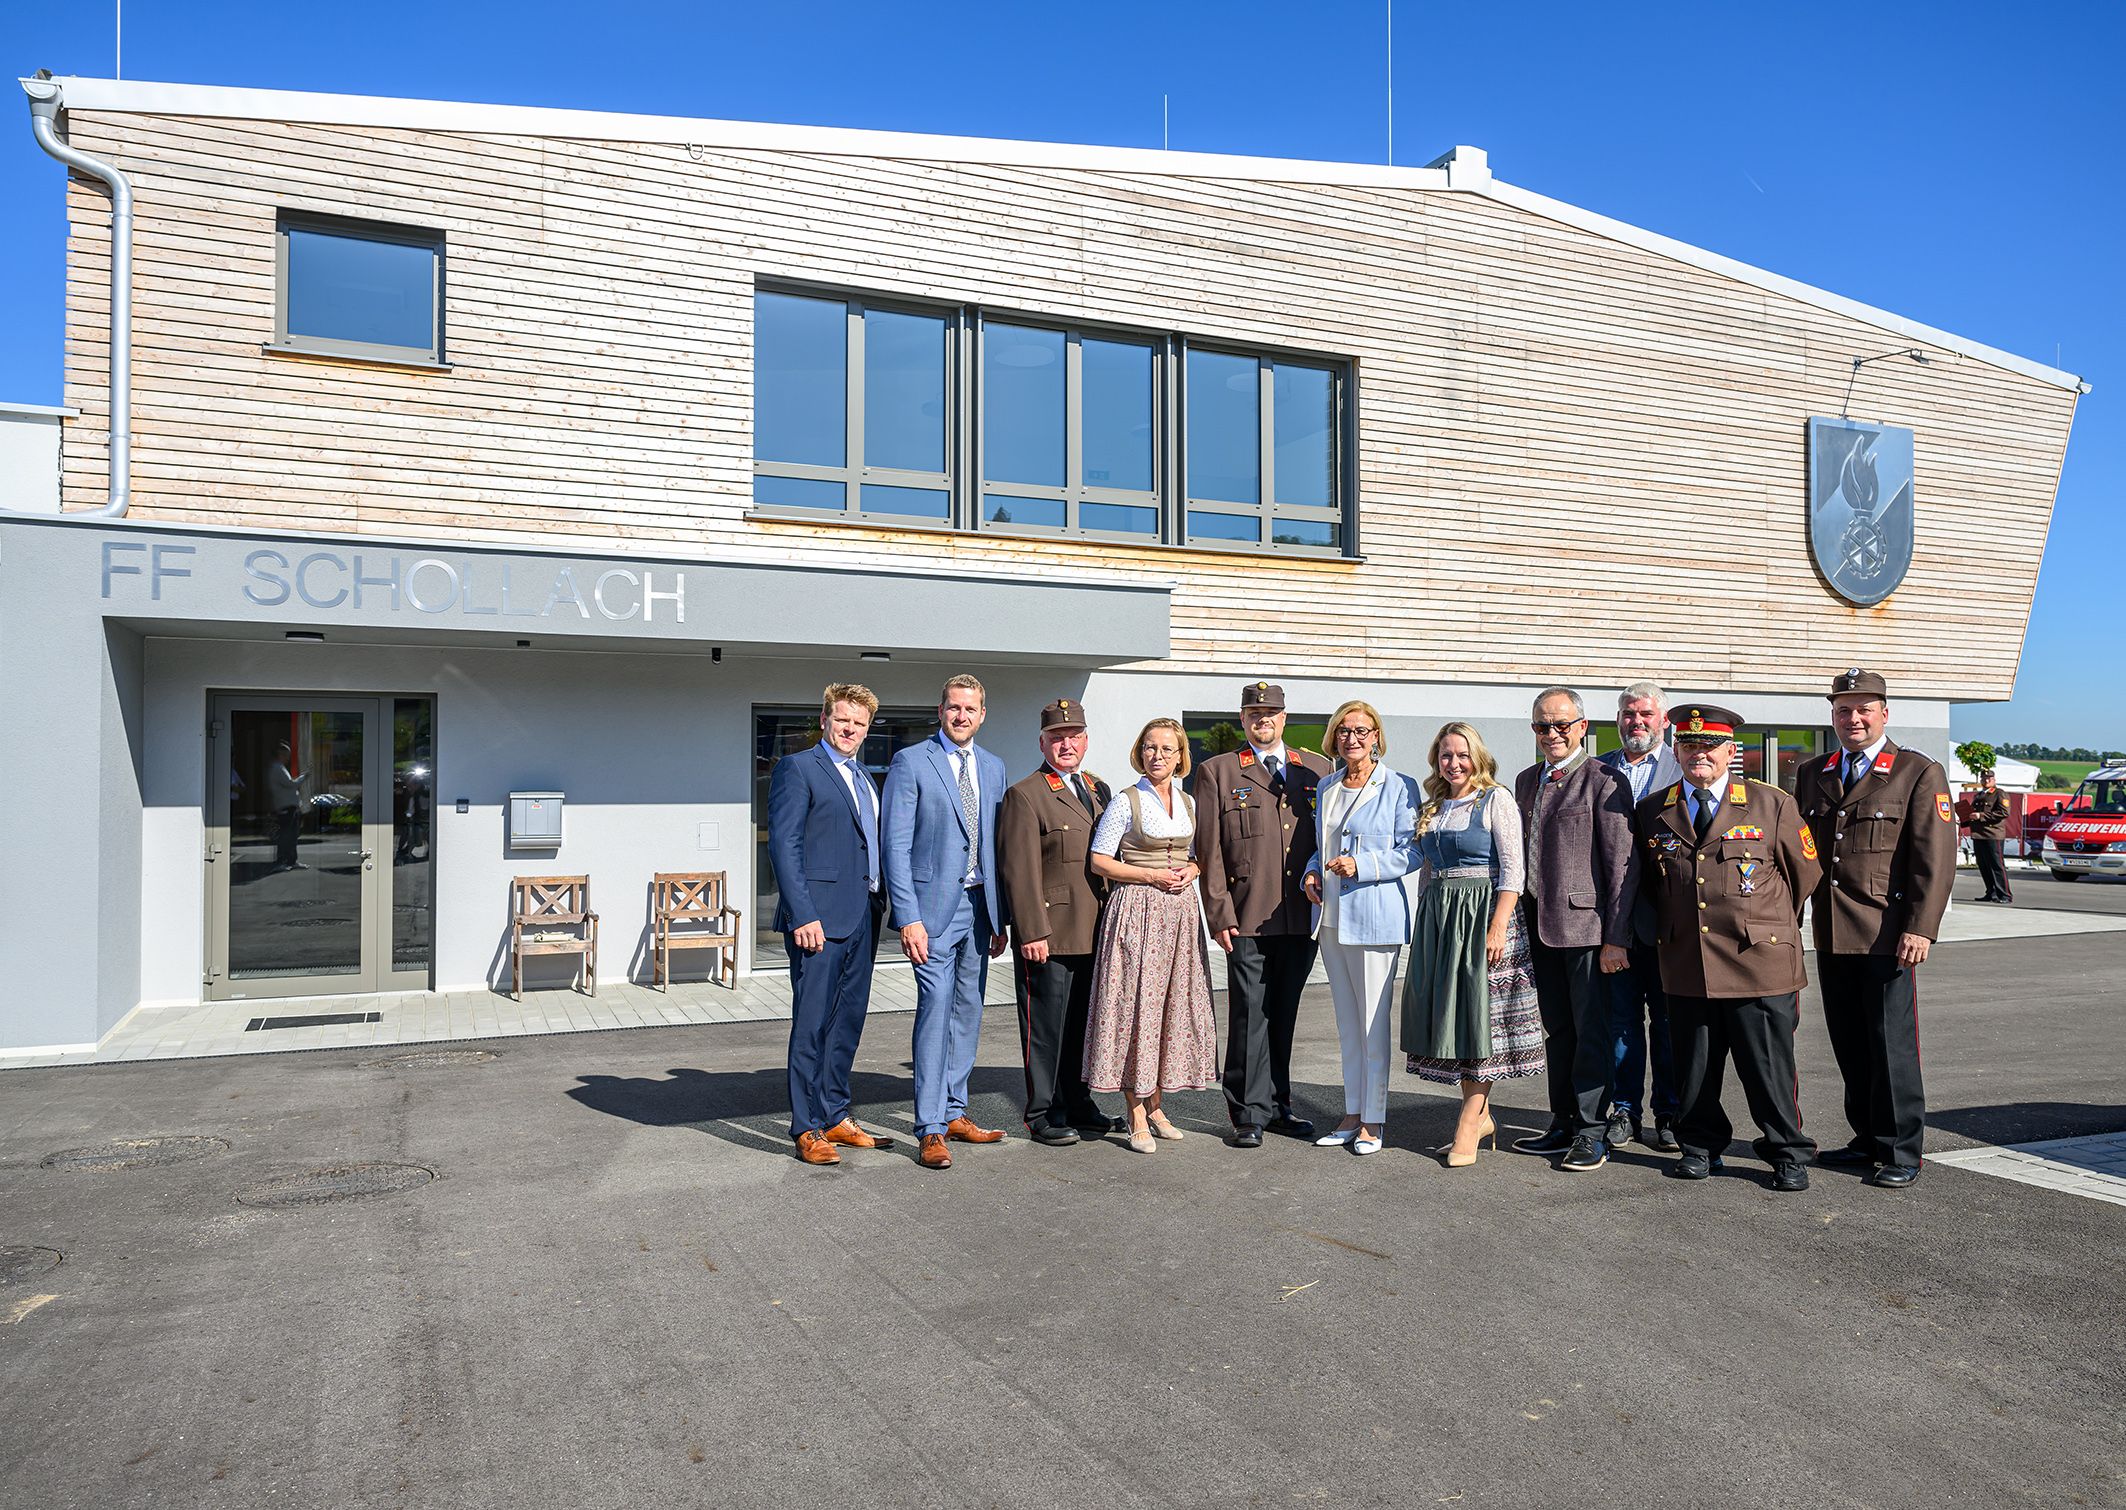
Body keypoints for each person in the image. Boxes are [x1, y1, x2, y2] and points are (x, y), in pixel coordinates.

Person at [1635, 704, 1821, 1191]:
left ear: (1731, 752)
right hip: (1687, 960)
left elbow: (1803, 876)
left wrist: (1762, 923)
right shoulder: (1653, 810)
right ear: (1676, 751)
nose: (1699, 754)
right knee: (1693, 1066)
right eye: (1689, 745)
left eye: (1710, 745)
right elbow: (1651, 886)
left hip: (1758, 960)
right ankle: (1699, 1147)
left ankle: (1786, 1152)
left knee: (1768, 1067)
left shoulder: (1770, 804)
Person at [1791, 669, 1957, 1188]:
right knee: (1849, 1042)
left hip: (1887, 934)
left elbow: (1935, 859)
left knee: (1891, 1046)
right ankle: (1866, 1138)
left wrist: (1921, 928)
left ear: (1885, 713)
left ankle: (1902, 1148)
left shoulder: (1917, 772)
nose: (1854, 718)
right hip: (1832, 932)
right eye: (1843, 709)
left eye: (1864, 709)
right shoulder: (1813, 772)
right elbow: (1802, 854)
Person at [881, 674, 1011, 1172]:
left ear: (983, 715)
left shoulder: (993, 766)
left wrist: (1000, 915)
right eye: (954, 707)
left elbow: (996, 846)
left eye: (970, 709)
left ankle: (955, 1111)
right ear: (940, 711)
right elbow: (895, 845)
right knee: (935, 1010)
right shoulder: (912, 761)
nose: (961, 716)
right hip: (931, 912)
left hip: (980, 909)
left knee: (969, 1011)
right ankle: (930, 1127)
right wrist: (907, 917)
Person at [1403, 722, 1543, 1166]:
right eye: (1446, 755)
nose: (1454, 763)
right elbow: (1428, 871)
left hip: (1483, 913)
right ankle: (1479, 1115)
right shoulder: (1435, 806)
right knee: (1459, 1015)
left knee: (1482, 1015)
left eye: (1462, 755)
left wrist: (1499, 925)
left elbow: (1514, 868)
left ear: (1477, 757)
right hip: (1442, 918)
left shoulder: (1495, 799)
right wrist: (1426, 925)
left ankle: (1470, 1118)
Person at [768, 682, 895, 1166]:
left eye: (859, 723)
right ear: (824, 720)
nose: (850, 729)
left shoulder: (866, 778)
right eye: (842, 719)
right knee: (812, 1025)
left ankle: (836, 1114)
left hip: (863, 914)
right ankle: (806, 1127)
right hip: (817, 922)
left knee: (848, 1021)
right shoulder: (798, 768)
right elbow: (784, 845)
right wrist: (803, 914)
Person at [1195, 681, 1326, 1148]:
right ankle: (1247, 1112)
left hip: (1300, 916)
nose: (1262, 720)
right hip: (1246, 915)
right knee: (1249, 1013)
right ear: (1243, 719)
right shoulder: (1218, 771)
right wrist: (1219, 913)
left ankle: (1277, 1104)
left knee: (1284, 1012)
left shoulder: (1316, 769)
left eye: (1270, 713)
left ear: (1284, 718)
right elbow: (1209, 849)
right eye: (1254, 714)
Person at [1512, 687, 1638, 1172]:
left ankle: (1592, 1130)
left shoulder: (1604, 780)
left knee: (1592, 1033)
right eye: (1543, 726)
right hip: (1540, 927)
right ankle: (1563, 1120)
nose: (1553, 734)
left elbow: (1622, 864)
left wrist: (1616, 938)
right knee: (1558, 1030)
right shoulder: (1527, 780)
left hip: (1588, 930)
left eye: (1562, 724)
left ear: (1583, 727)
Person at [1085, 718, 1220, 1154]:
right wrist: (1150, 876)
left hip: (1179, 914)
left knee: (1169, 1007)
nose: (1156, 755)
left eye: (1166, 748)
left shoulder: (1187, 801)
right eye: (1149, 747)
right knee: (1136, 1006)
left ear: (1181, 756)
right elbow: (1100, 860)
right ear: (1139, 752)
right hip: (1137, 911)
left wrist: (1192, 870)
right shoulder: (1126, 801)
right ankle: (1136, 1112)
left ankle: (1157, 1105)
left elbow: (1197, 855)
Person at [996, 698, 1119, 1145]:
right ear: (1042, 742)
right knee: (1046, 1030)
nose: (1066, 744)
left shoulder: (1099, 789)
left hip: (1095, 929)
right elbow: (1018, 870)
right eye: (1057, 738)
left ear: (1085, 740)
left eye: (1074, 736)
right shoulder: (1025, 794)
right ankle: (1043, 1113)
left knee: (1082, 1025)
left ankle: (1079, 1103)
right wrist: (1030, 931)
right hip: (1050, 933)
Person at [1299, 701, 1419, 1156]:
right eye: (1344, 731)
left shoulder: (1399, 786)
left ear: (1376, 737)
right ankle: (1351, 1114)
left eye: (1361, 731)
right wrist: (1312, 871)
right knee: (1347, 1025)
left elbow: (1412, 851)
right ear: (1334, 737)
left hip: (1374, 917)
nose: (1352, 738)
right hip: (1330, 918)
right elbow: (1321, 845)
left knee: (1372, 1025)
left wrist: (1362, 865)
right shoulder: (1327, 785)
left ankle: (1373, 1119)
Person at [1595, 682, 1684, 1152]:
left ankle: (1669, 1112)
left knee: (1669, 1025)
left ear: (1663, 720)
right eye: (1629, 714)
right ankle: (1625, 1111)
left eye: (1646, 714)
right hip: (1612, 924)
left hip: (1669, 923)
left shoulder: (1683, 768)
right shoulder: (1598, 769)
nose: (1637, 722)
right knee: (1621, 1024)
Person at [1968, 770, 2013, 903]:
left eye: (1989, 778)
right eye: (1984, 778)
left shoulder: (1999, 793)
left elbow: (2004, 812)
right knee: (1983, 865)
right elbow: (1973, 813)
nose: (1986, 780)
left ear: (1994, 780)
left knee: (1997, 865)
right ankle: (1991, 892)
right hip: (1979, 834)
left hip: (1993, 834)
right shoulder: (1979, 795)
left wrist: (1981, 816)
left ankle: (2005, 895)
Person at [267, 741, 305, 872]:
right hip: (285, 807)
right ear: (280, 754)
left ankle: (291, 860)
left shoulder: (279, 767)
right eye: (287, 754)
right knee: (285, 834)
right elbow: (290, 784)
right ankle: (282, 861)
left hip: (289, 806)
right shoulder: (278, 768)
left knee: (292, 835)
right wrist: (303, 777)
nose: (288, 757)